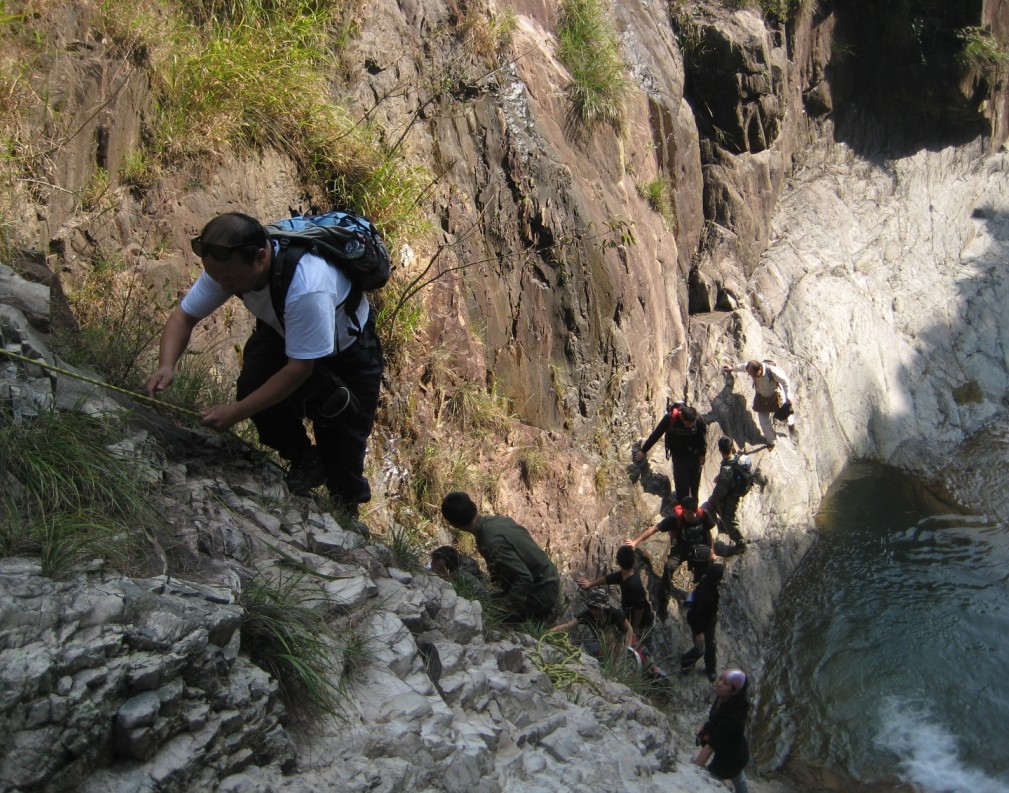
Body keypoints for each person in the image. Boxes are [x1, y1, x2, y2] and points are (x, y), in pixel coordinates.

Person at [145, 212, 384, 512]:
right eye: (217, 278)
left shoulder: (307, 284)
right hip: (282, 332)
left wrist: (236, 412)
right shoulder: (227, 267)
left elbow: (299, 370)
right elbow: (184, 316)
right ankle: (303, 458)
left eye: (231, 280)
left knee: (343, 442)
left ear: (260, 256)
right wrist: (166, 365)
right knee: (253, 389)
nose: (224, 286)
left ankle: (346, 509)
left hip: (350, 352)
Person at [440, 491, 560, 623]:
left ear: (453, 524)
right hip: (548, 578)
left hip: (541, 591)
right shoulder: (498, 521)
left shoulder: (491, 542)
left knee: (484, 615)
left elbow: (523, 579)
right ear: (473, 506)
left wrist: (501, 612)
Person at [624, 496, 717, 621]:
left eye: (689, 513)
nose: (686, 516)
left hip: (699, 548)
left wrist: (712, 551)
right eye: (684, 512)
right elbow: (655, 529)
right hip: (681, 548)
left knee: (704, 573)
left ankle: (698, 597)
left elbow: (708, 533)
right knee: (669, 567)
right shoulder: (676, 518)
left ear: (695, 511)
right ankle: (663, 601)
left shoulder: (703, 515)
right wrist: (635, 542)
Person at [576, 545, 655, 640]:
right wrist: (591, 584)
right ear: (633, 560)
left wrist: (634, 627)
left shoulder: (633, 585)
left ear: (618, 562)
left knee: (642, 642)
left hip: (642, 622)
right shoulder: (626, 574)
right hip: (630, 617)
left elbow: (639, 609)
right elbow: (608, 579)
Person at [633, 402, 707, 502]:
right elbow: (656, 434)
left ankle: (693, 504)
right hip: (679, 458)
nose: (691, 426)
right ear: (683, 418)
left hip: (695, 457)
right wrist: (643, 450)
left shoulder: (697, 418)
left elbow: (703, 435)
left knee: (694, 483)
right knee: (681, 485)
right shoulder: (670, 419)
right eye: (689, 424)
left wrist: (703, 453)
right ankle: (682, 505)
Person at [693, 668, 752, 793]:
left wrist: (694, 771)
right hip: (735, 749)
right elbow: (716, 719)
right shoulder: (724, 697)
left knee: (716, 774)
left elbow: (710, 746)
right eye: (720, 678)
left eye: (725, 683)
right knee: (739, 779)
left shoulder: (733, 717)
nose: (719, 684)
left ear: (734, 691)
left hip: (731, 757)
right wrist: (706, 729)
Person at [705, 437, 767, 555]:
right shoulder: (737, 458)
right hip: (736, 491)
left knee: (729, 519)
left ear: (720, 450)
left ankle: (740, 544)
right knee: (721, 511)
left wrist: (711, 501)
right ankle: (725, 526)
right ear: (732, 447)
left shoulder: (726, 469)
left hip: (731, 496)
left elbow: (720, 491)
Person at [721, 359, 793, 448]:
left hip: (775, 398)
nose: (751, 376)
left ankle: (791, 426)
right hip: (762, 400)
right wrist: (732, 369)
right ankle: (771, 441)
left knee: (785, 417)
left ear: (759, 369)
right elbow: (743, 367)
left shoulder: (771, 371)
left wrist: (788, 397)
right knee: (764, 423)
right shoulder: (750, 368)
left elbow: (785, 381)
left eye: (753, 374)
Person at [549, 588, 634, 660]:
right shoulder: (587, 615)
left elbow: (629, 629)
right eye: (591, 607)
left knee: (609, 636)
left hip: (620, 641)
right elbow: (569, 625)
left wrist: (627, 648)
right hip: (603, 644)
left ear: (603, 608)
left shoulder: (614, 614)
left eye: (596, 608)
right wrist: (550, 632)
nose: (593, 611)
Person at [680, 562, 724, 681]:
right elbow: (694, 614)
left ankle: (711, 669)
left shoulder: (712, 585)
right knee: (700, 649)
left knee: (711, 645)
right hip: (699, 624)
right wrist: (699, 632)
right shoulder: (702, 592)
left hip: (709, 622)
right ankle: (685, 661)